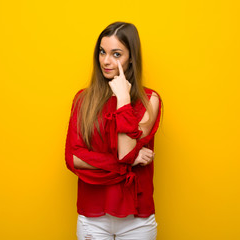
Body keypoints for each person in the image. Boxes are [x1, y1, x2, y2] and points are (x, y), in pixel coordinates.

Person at [65, 21, 162, 240]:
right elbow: (73, 158)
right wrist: (125, 165)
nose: (106, 61)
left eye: (116, 54)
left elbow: (125, 152)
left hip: (137, 220)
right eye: (102, 52)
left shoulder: (150, 100)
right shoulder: (83, 100)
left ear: (131, 59)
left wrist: (123, 100)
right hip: (93, 217)